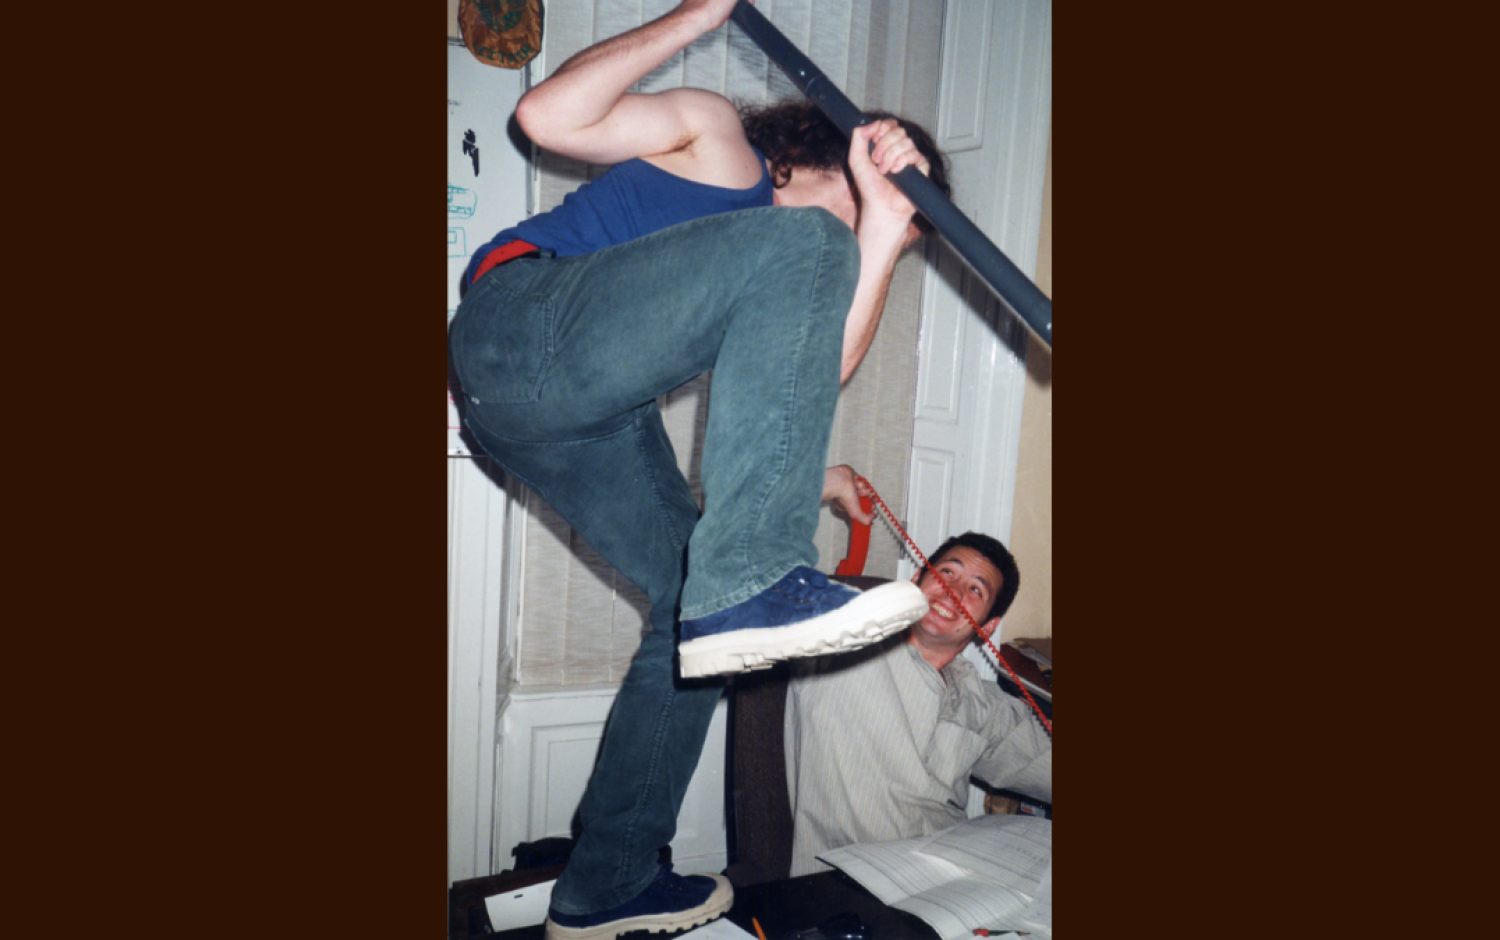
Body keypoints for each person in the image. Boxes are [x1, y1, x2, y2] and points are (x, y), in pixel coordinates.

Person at [446, 3, 953, 939]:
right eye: (886, 185)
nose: (888, 220)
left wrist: (884, 227)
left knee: (692, 610)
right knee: (807, 247)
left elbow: (818, 367)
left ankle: (607, 882)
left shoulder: (799, 258)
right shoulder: (722, 146)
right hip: (518, 328)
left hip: (560, 417)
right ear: (832, 151)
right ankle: (756, 579)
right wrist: (702, 11)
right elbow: (547, 119)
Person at [786, 466, 1052, 877]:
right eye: (947, 572)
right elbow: (742, 562)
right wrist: (817, 484)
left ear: (987, 627)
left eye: (976, 590)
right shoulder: (846, 635)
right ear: (917, 578)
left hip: (950, 881)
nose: (954, 592)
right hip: (850, 889)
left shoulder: (982, 702)